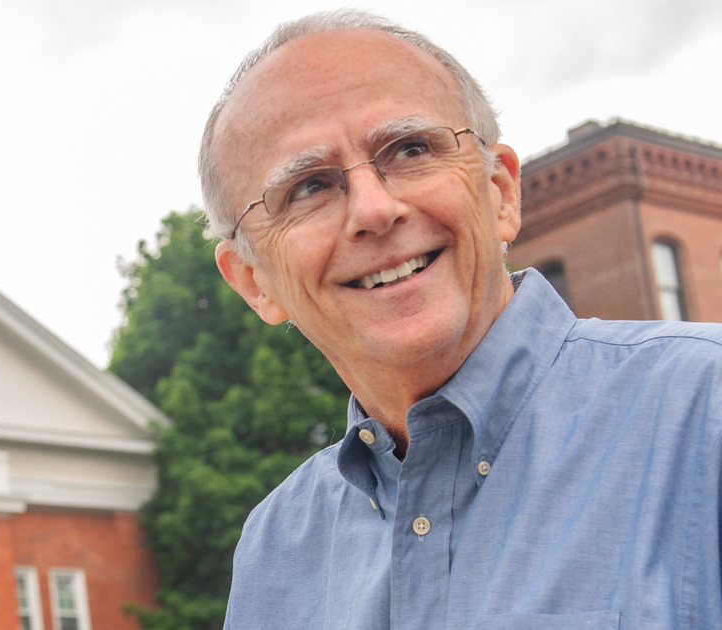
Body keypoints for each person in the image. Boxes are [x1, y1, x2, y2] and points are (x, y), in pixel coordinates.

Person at [203, 10, 722, 629]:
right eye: (310, 187)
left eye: (410, 149)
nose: (375, 209)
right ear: (254, 281)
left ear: (501, 192)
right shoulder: (275, 550)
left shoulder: (704, 410)